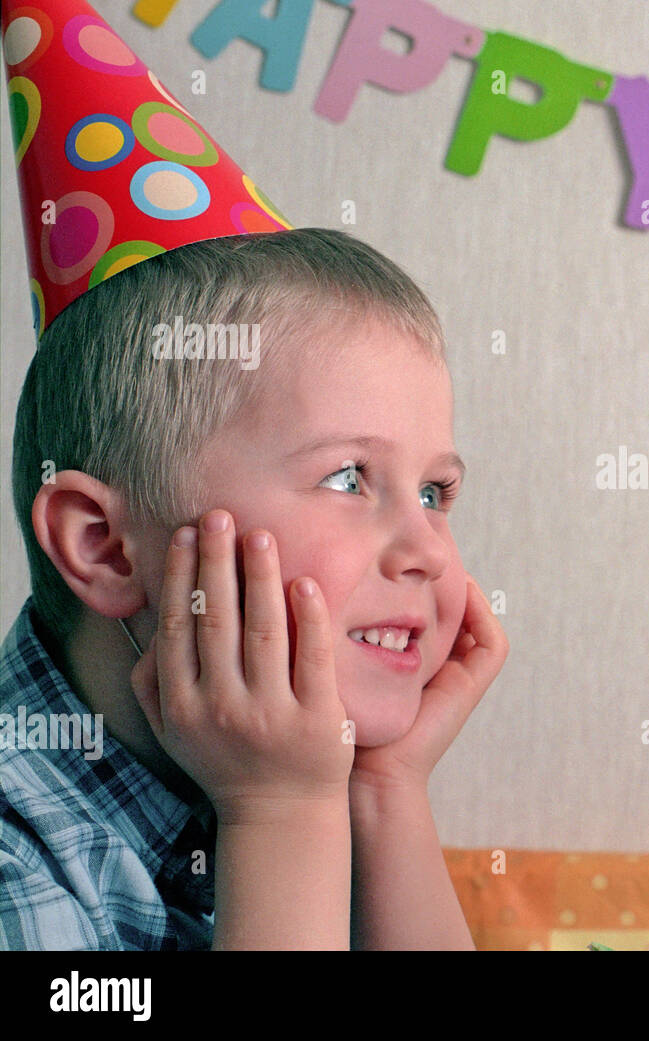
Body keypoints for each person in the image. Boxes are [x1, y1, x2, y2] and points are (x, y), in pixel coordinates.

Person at [0, 0, 507, 950]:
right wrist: (280, 812)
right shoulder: (19, 868)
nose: (429, 553)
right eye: (351, 477)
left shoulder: (314, 776)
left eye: (436, 491)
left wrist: (386, 794)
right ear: (106, 545)